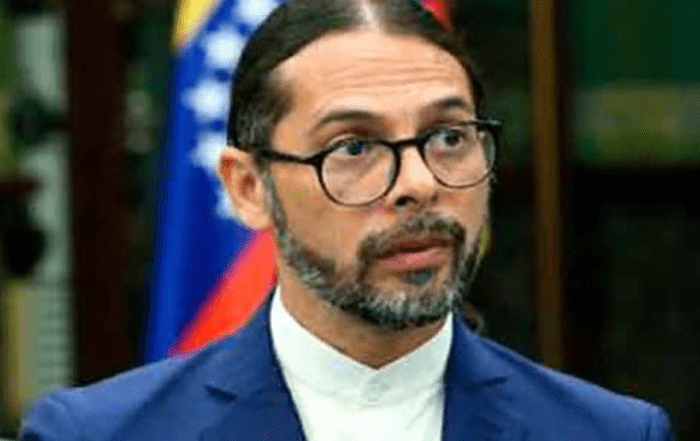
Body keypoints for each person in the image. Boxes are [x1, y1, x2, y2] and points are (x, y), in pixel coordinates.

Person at [20, 0, 674, 439]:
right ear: (249, 188)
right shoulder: (103, 432)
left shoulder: (609, 432)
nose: (419, 184)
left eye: (449, 137)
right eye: (355, 147)